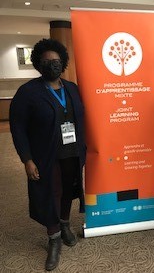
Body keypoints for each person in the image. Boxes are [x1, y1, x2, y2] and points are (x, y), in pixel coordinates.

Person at [10, 38, 86, 271]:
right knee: (50, 194)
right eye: (46, 61)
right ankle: (53, 237)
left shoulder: (72, 88)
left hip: (72, 152)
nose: (52, 65)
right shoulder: (28, 92)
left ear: (62, 62)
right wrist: (27, 159)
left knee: (67, 191)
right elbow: (18, 127)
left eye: (56, 61)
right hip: (46, 155)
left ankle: (64, 224)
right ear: (38, 64)